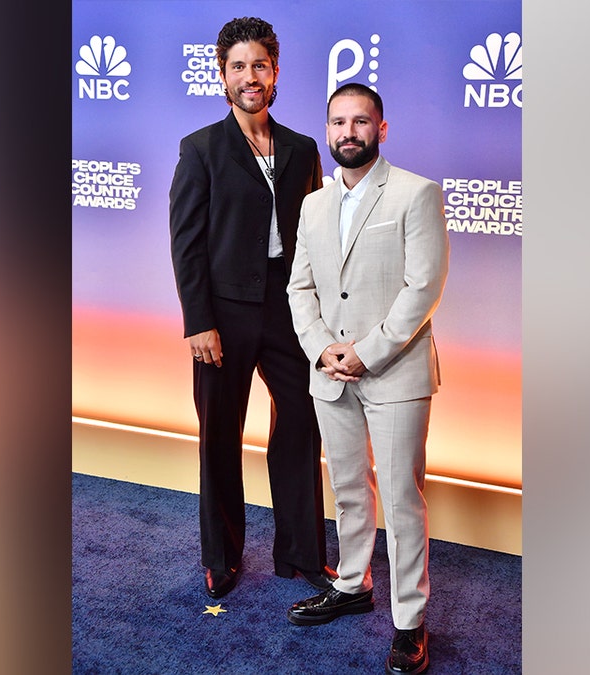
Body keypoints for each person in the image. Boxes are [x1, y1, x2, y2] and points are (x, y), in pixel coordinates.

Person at [168, 16, 335, 600]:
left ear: (275, 72)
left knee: (302, 423)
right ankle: (221, 557)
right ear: (222, 76)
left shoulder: (302, 149)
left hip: (288, 309)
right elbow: (186, 242)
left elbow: (314, 237)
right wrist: (198, 321)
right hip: (223, 314)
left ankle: (302, 553)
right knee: (220, 434)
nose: (249, 76)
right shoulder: (201, 150)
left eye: (259, 65)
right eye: (237, 66)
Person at [285, 83, 449, 675]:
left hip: (395, 372)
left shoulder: (415, 193)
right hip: (330, 373)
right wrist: (324, 349)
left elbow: (423, 288)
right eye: (337, 122)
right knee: (350, 490)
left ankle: (410, 621)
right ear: (327, 130)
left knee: (403, 499)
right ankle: (352, 584)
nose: (347, 132)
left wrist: (367, 352)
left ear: (381, 129)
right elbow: (299, 287)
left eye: (360, 122)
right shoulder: (312, 205)